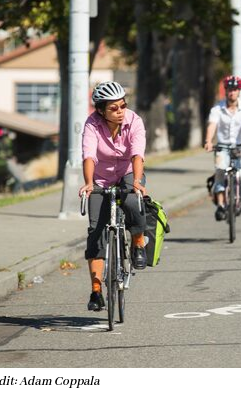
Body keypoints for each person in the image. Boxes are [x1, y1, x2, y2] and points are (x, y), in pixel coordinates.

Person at [79, 81, 148, 312]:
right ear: (100, 110)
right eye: (114, 108)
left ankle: (138, 243)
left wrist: (137, 182)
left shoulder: (134, 121)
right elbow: (89, 155)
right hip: (99, 179)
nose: (120, 112)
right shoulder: (92, 125)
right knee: (95, 232)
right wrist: (89, 183)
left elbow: (138, 153)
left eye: (123, 106)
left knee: (132, 202)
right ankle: (96, 292)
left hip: (128, 173)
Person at [204, 75, 241, 221]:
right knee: (220, 172)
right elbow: (212, 125)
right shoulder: (217, 108)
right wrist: (209, 141)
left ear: (239, 91)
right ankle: (221, 205)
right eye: (229, 89)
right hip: (223, 146)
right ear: (226, 90)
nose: (232, 92)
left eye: (235, 90)